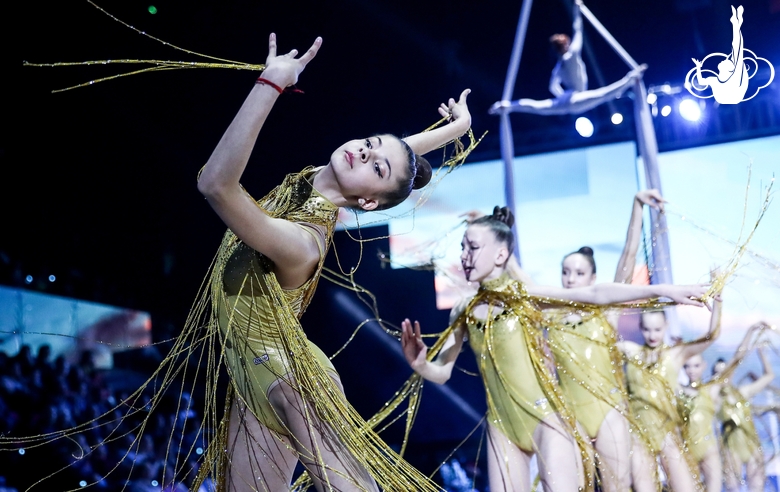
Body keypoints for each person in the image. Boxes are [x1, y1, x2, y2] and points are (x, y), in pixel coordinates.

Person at [3, 34, 476, 492]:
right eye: (371, 142)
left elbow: (215, 185)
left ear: (369, 202)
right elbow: (400, 154)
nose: (366, 152)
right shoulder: (322, 180)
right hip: (252, 382)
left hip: (290, 383)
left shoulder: (303, 240)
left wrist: (270, 85)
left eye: (377, 167)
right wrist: (454, 130)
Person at [400, 207, 710, 492]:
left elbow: (597, 293)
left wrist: (665, 291)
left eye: (473, 247)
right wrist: (421, 364)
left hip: (546, 421)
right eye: (463, 247)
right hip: (500, 426)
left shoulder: (525, 296)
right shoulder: (464, 309)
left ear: (501, 255)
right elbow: (442, 371)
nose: (465, 255)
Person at [544, 189, 665, 492]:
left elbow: (628, 255)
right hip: (571, 414)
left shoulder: (605, 312)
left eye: (579, 273)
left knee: (617, 487)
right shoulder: (549, 320)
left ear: (593, 279)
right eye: (566, 272)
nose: (570, 279)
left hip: (609, 411)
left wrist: (637, 205)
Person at [618, 294, 723, 492]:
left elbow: (712, 335)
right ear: (640, 328)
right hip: (638, 434)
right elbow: (599, 342)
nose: (652, 335)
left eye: (657, 329)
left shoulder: (675, 354)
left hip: (668, 432)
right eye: (647, 329)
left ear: (666, 325)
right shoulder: (631, 351)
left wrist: (718, 300)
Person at [489, 1, 647, 117]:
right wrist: (577, 10)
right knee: (604, 95)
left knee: (536, 107)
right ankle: (630, 79)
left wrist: (563, 96)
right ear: (565, 45)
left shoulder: (558, 66)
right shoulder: (572, 53)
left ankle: (506, 106)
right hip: (576, 97)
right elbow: (578, 30)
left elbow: (552, 86)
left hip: (566, 101)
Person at [680, 322, 771, 491]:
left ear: (703, 366)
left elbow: (737, 358)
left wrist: (750, 331)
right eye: (687, 366)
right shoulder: (680, 391)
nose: (692, 370)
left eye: (696, 365)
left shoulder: (713, 390)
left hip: (716, 450)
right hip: (697, 450)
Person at [715, 346, 775, 491]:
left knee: (757, 487)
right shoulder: (714, 399)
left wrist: (762, 355)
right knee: (732, 488)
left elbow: (769, 376)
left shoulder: (743, 392)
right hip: (730, 448)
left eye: (726, 371)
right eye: (718, 373)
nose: (723, 376)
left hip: (751, 445)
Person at [692, 6, 748, 104]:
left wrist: (698, 67)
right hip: (728, 98)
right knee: (736, 51)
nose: (725, 59)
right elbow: (737, 50)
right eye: (727, 60)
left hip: (731, 97)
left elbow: (737, 48)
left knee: (736, 50)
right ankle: (735, 23)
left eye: (727, 61)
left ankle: (735, 23)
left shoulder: (731, 78)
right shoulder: (718, 80)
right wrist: (736, 25)